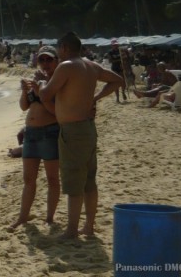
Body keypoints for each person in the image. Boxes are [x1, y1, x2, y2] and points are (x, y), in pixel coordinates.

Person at [39, 32, 123, 239]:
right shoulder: (91, 66)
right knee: (89, 180)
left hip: (73, 129)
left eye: (58, 49)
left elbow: (46, 94)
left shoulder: (66, 66)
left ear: (64, 48)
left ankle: (71, 230)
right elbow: (118, 80)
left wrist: (40, 84)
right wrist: (96, 97)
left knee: (74, 180)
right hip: (87, 127)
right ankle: (89, 226)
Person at [9, 45, 60, 230]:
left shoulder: (57, 82)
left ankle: (49, 218)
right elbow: (24, 107)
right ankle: (22, 217)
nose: (45, 63)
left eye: (49, 60)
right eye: (42, 60)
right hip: (31, 133)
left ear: (57, 61)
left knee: (52, 178)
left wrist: (42, 90)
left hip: (50, 132)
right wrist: (25, 91)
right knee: (28, 179)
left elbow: (57, 112)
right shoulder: (36, 81)